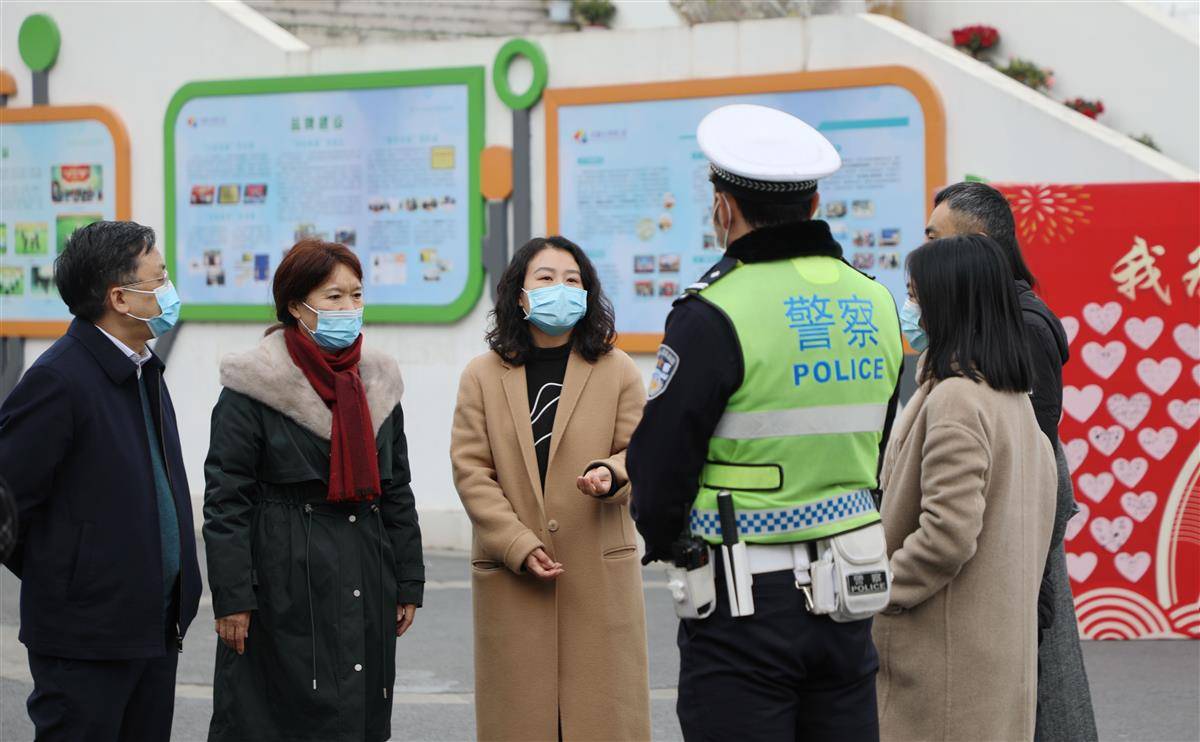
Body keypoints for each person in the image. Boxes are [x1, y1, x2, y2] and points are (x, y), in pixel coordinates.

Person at [628, 104, 903, 741]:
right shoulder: (874, 300)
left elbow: (660, 465)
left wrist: (668, 540)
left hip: (742, 601)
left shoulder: (713, 311)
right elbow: (879, 435)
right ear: (814, 205)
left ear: (724, 208)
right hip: (851, 588)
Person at [202, 239, 423, 742]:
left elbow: (397, 487)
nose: (349, 308)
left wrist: (408, 578)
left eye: (356, 295)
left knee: (357, 711)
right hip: (282, 576)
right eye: (333, 297)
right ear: (296, 306)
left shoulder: (378, 381)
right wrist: (233, 597)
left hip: (365, 568)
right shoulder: (253, 385)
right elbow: (226, 499)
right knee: (276, 716)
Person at [0, 220, 201, 741]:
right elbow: (8, 507)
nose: (169, 290)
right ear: (119, 298)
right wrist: (74, 575)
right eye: (159, 278)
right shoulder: (59, 379)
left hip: (153, 629)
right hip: (85, 641)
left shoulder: (143, 368)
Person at [451, 236, 650, 741]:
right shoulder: (482, 375)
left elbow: (640, 451)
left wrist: (611, 474)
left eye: (572, 279)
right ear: (520, 295)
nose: (559, 288)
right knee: (521, 720)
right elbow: (472, 470)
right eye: (545, 278)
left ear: (587, 294)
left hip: (596, 573)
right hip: (514, 574)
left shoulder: (618, 369)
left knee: (601, 721)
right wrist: (516, 542)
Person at [925, 181, 1098, 741]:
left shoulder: (1024, 326)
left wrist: (1037, 582)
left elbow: (1035, 460)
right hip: (998, 527)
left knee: (1040, 685)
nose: (925, 254)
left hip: (1018, 531)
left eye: (936, 239)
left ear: (976, 243)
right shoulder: (984, 318)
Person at [875, 234, 1057, 741]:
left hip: (942, 666)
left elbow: (947, 535)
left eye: (915, 296)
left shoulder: (956, 399)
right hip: (991, 660)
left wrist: (880, 589)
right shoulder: (1012, 398)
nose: (910, 309)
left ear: (947, 302)